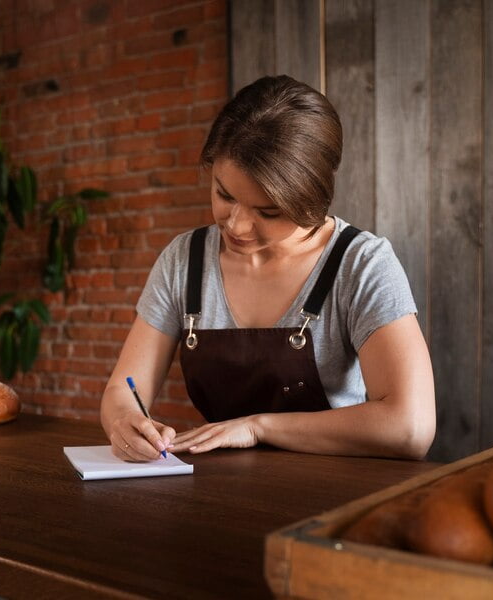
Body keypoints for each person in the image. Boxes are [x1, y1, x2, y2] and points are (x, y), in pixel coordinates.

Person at [100, 75, 435, 461]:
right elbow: (122, 392)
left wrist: (257, 427)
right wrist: (124, 420)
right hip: (222, 493)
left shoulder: (361, 265)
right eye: (224, 194)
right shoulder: (184, 260)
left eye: (268, 211)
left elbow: (411, 427)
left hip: (336, 498)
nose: (237, 225)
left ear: (313, 199)